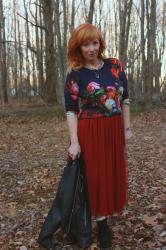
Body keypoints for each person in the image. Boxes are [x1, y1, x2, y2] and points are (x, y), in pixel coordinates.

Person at [64, 23, 132, 248]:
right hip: (90, 132)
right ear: (78, 47)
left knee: (111, 173)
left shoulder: (115, 65)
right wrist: (74, 142)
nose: (91, 48)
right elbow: (71, 111)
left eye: (94, 43)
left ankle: (107, 213)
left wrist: (127, 128)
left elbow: (125, 99)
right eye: (86, 44)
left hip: (113, 130)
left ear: (100, 43)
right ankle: (102, 224)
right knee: (95, 176)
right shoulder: (75, 75)